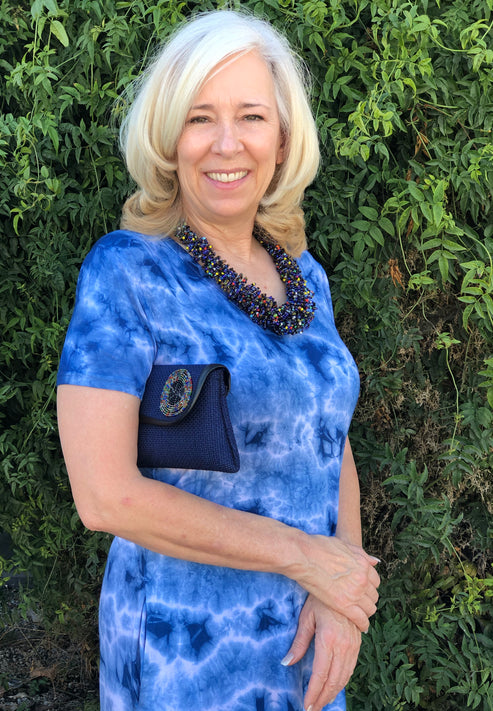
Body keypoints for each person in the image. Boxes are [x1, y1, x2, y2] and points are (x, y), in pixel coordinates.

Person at [56, 10, 380, 711]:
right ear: (168, 137)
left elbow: (328, 433)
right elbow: (104, 495)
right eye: (200, 117)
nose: (226, 143)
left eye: (251, 116)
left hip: (307, 644)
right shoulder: (128, 273)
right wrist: (308, 559)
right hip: (187, 652)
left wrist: (343, 588)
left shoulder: (305, 278)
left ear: (283, 137)